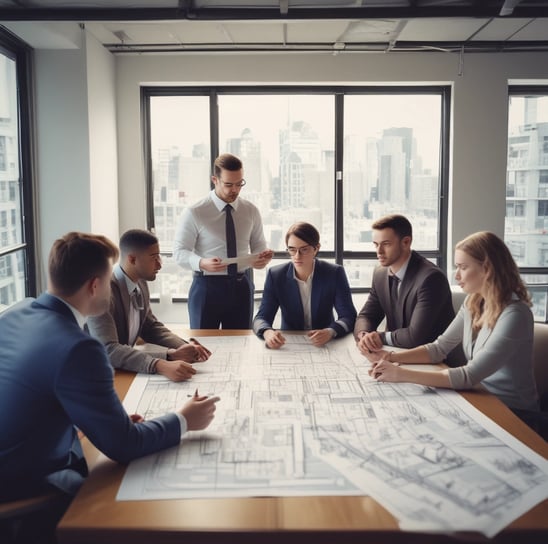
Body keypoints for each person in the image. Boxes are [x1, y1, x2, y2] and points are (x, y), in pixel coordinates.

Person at [0, 232, 220, 537]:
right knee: (126, 512)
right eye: (107, 278)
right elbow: (124, 446)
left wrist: (96, 420)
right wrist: (184, 419)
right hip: (18, 480)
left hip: (17, 447)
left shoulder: (19, 312)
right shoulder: (80, 348)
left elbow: (34, 391)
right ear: (94, 285)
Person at [366, 231, 539, 415]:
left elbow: (469, 375)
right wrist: (390, 357)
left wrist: (402, 375)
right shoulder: (473, 302)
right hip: (479, 397)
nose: (456, 276)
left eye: (463, 267)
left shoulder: (516, 315)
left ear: (487, 269)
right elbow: (438, 349)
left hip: (514, 412)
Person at [88, 229, 211, 382]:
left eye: (159, 255)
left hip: (120, 370)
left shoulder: (140, 282)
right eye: (154, 257)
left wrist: (185, 348)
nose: (160, 263)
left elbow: (151, 327)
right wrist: (161, 362)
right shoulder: (102, 292)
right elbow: (108, 349)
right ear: (132, 260)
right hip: (93, 375)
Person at [173, 153, 274, 329]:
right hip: (206, 287)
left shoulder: (251, 211)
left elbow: (259, 248)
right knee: (202, 348)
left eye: (239, 184)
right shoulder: (195, 212)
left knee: (240, 346)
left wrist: (262, 260)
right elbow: (179, 252)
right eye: (228, 184)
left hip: (242, 287)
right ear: (215, 179)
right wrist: (201, 262)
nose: (234, 190)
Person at [354, 214, 461, 365]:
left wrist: (379, 337)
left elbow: (415, 336)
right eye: (376, 244)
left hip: (436, 364)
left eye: (386, 244)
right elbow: (366, 315)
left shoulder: (431, 278)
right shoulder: (380, 273)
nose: (379, 251)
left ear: (406, 242)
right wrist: (364, 335)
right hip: (398, 356)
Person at [253, 222, 356, 348]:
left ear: (316, 248)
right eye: (292, 249)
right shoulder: (275, 275)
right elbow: (261, 318)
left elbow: (349, 316)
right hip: (290, 343)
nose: (297, 256)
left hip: (325, 343)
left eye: (304, 249)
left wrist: (330, 332)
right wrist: (267, 332)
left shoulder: (334, 273)